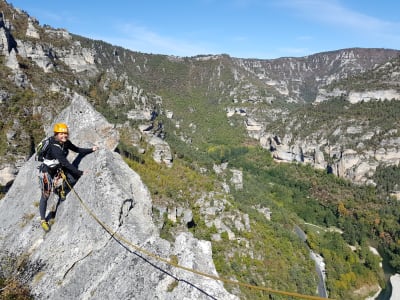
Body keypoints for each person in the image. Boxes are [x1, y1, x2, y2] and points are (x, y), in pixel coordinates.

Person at [38, 123, 98, 232]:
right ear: (56, 134)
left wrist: (91, 150)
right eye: (61, 134)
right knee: (45, 195)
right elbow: (66, 163)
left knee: (72, 178)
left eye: (65, 133)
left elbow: (77, 149)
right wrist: (80, 172)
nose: (64, 136)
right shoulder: (54, 147)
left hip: (57, 168)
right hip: (46, 171)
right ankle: (43, 220)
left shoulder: (65, 143)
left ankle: (60, 189)